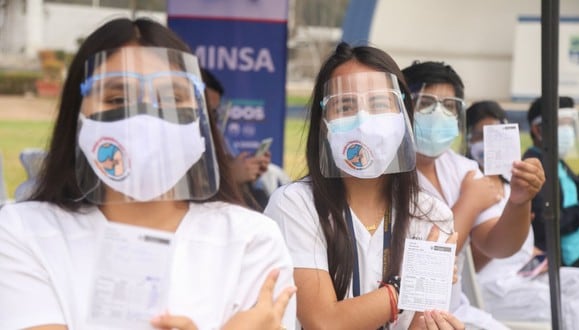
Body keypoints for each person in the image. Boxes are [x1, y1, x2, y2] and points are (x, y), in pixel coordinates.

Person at [0, 17, 296, 330]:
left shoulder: (251, 240)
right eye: (117, 99)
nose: (146, 116)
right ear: (78, 114)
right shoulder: (24, 232)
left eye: (171, 99)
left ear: (200, 118)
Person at [264, 42, 465, 330]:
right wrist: (409, 283)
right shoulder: (295, 205)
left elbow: (420, 322)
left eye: (379, 104)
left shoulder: (432, 215)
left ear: (403, 118)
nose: (364, 120)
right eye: (345, 105)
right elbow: (323, 322)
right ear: (324, 124)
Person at [402, 61, 545, 329]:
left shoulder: (462, 169)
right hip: (403, 316)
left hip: (455, 310)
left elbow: (499, 245)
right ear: (401, 107)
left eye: (448, 106)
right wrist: (470, 202)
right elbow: (424, 263)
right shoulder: (388, 175)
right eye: (425, 103)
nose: (438, 113)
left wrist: (518, 201)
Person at [466, 100, 579, 329]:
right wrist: (509, 230)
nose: (489, 143)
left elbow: (522, 247)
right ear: (468, 139)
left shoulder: (511, 187)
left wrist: (531, 253)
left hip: (524, 274)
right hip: (494, 286)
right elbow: (468, 262)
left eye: (495, 134)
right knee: (568, 308)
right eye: (481, 135)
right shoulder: (469, 188)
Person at [201, 68, 290, 211]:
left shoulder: (219, 143)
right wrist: (231, 177)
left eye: (216, 113)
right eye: (209, 112)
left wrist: (245, 173)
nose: (214, 121)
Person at [523, 96, 579, 267]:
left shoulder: (558, 163)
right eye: (561, 124)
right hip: (555, 265)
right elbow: (545, 221)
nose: (567, 130)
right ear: (538, 129)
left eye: (570, 124)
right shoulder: (533, 167)